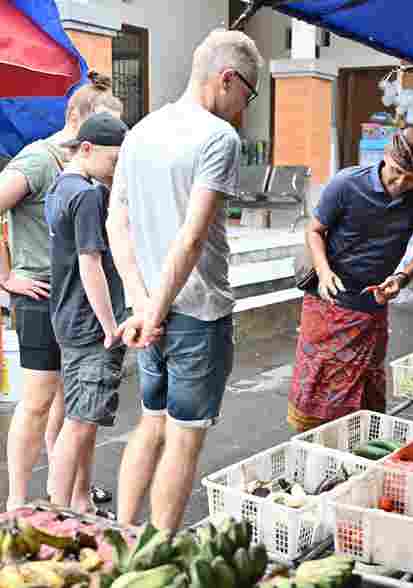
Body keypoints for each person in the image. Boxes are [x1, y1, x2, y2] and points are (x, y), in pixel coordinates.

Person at [106, 29, 263, 531]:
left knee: (151, 425)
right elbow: (192, 239)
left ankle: (123, 536)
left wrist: (142, 305)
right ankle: (161, 553)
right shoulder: (218, 137)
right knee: (183, 438)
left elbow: (117, 222)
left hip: (152, 311)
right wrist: (152, 311)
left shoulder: (141, 131)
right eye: (248, 93)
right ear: (227, 79)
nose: (244, 105)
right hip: (196, 314)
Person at [0, 72, 122, 511]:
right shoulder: (38, 160)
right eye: (104, 124)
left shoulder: (89, 171)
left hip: (71, 297)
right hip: (38, 296)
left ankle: (70, 497)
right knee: (36, 402)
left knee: (68, 408)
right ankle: (16, 502)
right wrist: (6, 277)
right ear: (77, 118)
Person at [288, 128, 413, 432]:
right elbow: (315, 230)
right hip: (326, 302)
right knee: (317, 385)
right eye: (397, 173)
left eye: (412, 179)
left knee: (364, 388)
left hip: (371, 307)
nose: (401, 184)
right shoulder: (347, 183)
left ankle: (359, 454)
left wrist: (401, 279)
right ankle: (310, 448)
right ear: (386, 157)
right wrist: (324, 271)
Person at [45, 112, 129, 515]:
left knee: (82, 420)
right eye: (114, 161)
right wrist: (111, 326)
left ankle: (78, 505)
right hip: (89, 322)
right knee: (78, 422)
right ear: (88, 149)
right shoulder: (88, 195)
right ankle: (59, 513)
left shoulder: (61, 186)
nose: (116, 170)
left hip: (66, 316)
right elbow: (89, 263)